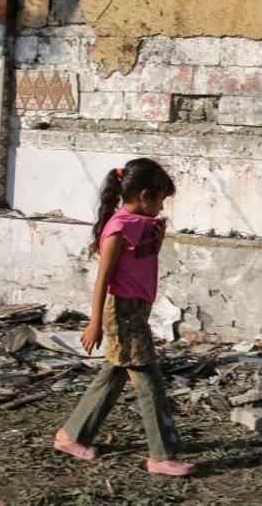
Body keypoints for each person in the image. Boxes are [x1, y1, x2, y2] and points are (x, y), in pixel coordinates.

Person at [53, 158, 197, 477]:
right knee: (148, 379)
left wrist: (156, 231)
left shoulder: (142, 224)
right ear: (144, 196)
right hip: (122, 312)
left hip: (137, 311)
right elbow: (102, 280)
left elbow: (146, 257)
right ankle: (161, 455)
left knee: (114, 374)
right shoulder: (118, 229)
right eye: (160, 200)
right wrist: (94, 323)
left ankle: (72, 436)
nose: (162, 207)